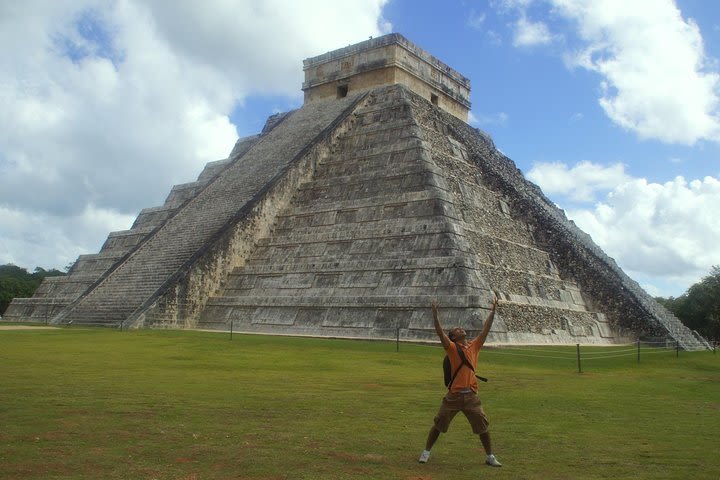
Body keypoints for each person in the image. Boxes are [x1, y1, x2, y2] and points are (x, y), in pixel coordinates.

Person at [418, 293, 502, 467]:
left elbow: (485, 329)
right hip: (454, 395)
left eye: (460, 328)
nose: (461, 329)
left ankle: (490, 456)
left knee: (483, 427)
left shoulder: (474, 346)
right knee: (439, 425)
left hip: (471, 396)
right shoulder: (452, 348)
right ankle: (426, 452)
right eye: (457, 329)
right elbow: (441, 334)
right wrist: (435, 315)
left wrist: (493, 311)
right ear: (454, 337)